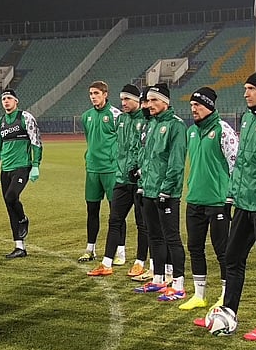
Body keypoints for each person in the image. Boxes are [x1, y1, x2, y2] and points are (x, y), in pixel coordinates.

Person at [197, 71, 256, 339]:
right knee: (232, 258)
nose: (245, 93)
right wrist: (232, 194)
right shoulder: (247, 118)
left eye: (251, 88)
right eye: (245, 88)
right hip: (243, 204)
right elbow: (243, 162)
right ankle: (228, 312)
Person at [177, 87, 237, 312]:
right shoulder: (191, 131)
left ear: (210, 106)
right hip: (195, 199)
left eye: (198, 105)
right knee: (195, 247)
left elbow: (236, 164)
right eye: (192, 106)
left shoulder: (223, 130)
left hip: (218, 200)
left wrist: (230, 195)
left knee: (223, 250)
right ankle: (199, 294)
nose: (193, 109)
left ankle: (224, 295)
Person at [87, 84, 150, 277]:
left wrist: (140, 171)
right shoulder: (121, 119)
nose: (123, 103)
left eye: (127, 100)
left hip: (140, 181)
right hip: (121, 178)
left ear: (137, 100)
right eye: (122, 99)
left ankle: (140, 262)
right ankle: (106, 263)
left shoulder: (147, 120)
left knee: (142, 224)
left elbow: (146, 150)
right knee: (114, 220)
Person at [133, 83, 188, 300]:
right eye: (148, 100)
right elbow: (147, 157)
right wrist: (141, 181)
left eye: (154, 100)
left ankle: (179, 283)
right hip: (148, 189)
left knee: (171, 237)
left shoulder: (176, 126)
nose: (150, 104)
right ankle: (159, 279)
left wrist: (166, 189)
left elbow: (176, 162)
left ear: (166, 102)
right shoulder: (151, 124)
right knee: (154, 236)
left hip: (167, 193)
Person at [0, 89, 42, 259]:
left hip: (22, 166)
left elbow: (36, 142)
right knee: (9, 206)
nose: (6, 101)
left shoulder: (25, 117)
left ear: (16, 101)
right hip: (6, 169)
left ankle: (23, 219)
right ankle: (19, 247)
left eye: (9, 98)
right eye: (3, 99)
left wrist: (35, 165)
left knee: (11, 197)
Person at [79, 81, 122, 263]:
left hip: (111, 170)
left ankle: (120, 252)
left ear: (105, 94)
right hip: (93, 170)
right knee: (92, 210)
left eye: (96, 93)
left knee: (116, 213)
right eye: (90, 93)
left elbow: (122, 142)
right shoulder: (86, 116)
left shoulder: (116, 115)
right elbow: (90, 139)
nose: (93, 96)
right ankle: (90, 249)